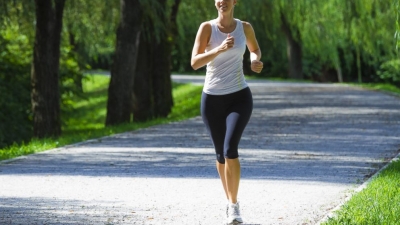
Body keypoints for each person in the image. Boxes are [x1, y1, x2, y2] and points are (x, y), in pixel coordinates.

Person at [191, 0, 263, 224]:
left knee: (231, 149)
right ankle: (230, 201)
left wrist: (255, 60)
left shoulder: (245, 28)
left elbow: (255, 49)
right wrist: (219, 49)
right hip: (211, 99)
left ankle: (234, 207)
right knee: (220, 155)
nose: (222, 1)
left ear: (234, 2)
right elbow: (194, 62)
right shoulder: (207, 28)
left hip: (239, 97)